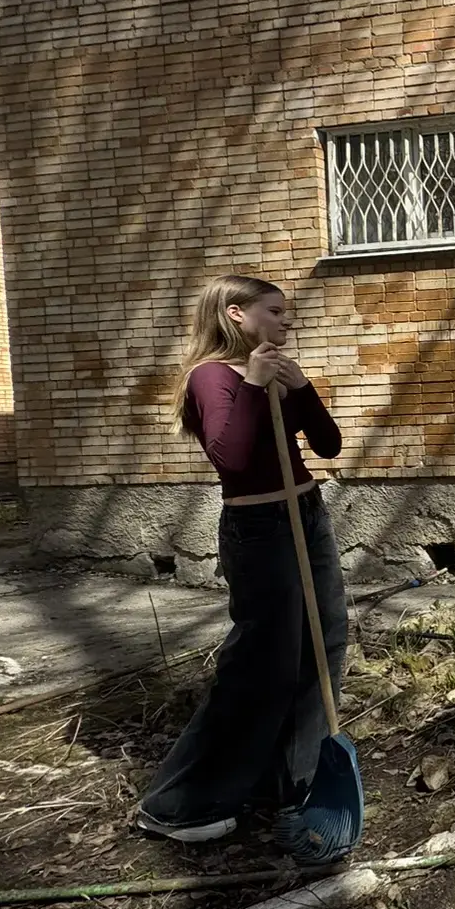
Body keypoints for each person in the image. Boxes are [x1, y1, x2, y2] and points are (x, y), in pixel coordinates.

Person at [138, 275, 347, 843]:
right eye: (274, 311)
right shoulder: (211, 377)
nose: (286, 319)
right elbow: (230, 458)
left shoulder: (275, 372)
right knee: (263, 662)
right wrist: (253, 385)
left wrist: (302, 388)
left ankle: (292, 781)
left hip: (306, 513)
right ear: (236, 314)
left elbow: (327, 446)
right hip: (260, 528)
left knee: (321, 646)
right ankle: (178, 805)